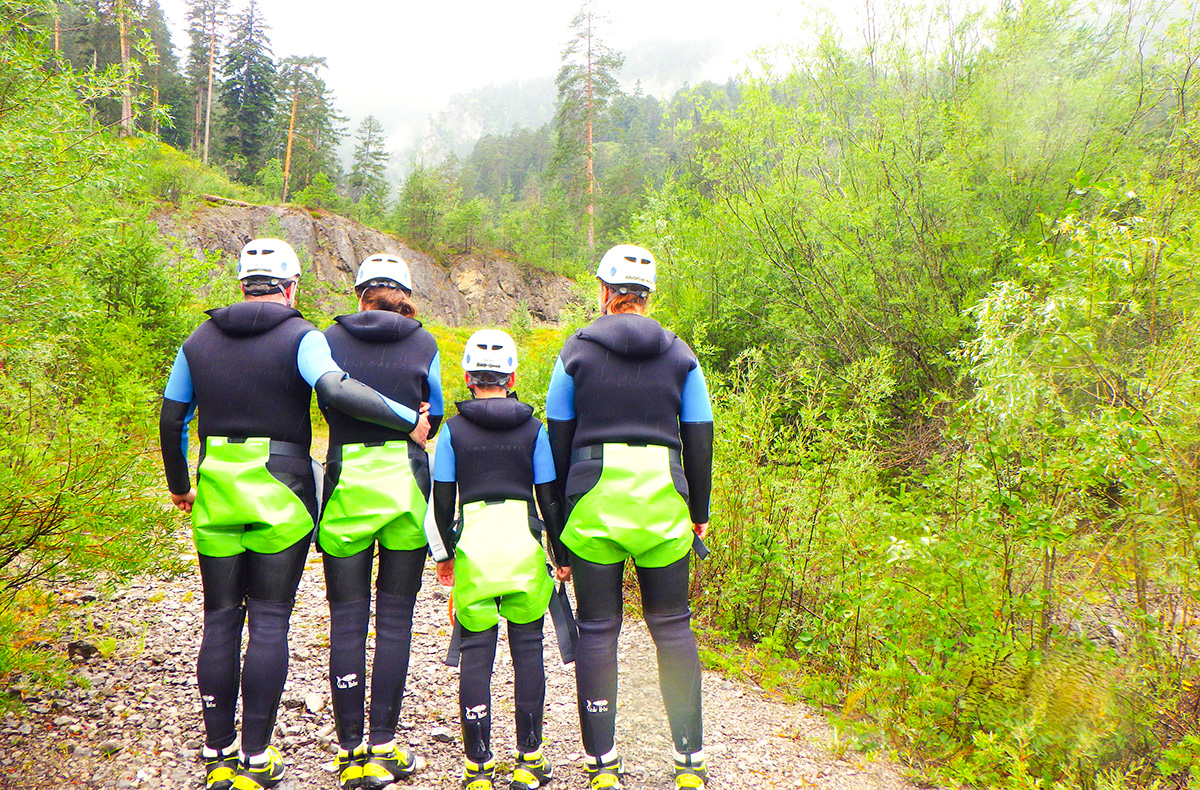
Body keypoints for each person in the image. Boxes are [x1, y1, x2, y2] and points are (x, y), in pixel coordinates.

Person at [159, 239, 431, 790]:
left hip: (216, 486)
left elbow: (171, 418)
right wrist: (407, 420)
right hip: (280, 486)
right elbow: (335, 388)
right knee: (268, 619)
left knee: (218, 618)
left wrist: (181, 486)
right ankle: (258, 760)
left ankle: (219, 755)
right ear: (290, 287)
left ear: (241, 284)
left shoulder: (195, 341)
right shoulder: (302, 337)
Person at [544, 244, 714, 790]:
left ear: (604, 292)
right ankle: (688, 762)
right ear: (647, 297)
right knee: (672, 627)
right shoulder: (681, 356)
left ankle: (603, 766)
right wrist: (700, 513)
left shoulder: (575, 352)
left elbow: (557, 446)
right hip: (664, 495)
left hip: (594, 499)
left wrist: (558, 534)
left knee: (598, 629)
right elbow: (699, 439)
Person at [425, 329, 570, 790]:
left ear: (467, 377)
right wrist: (560, 556)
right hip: (523, 549)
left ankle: (478, 767)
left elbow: (441, 501)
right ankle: (530, 759)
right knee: (528, 651)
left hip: (476, 551)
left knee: (476, 653)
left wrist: (444, 557)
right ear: (511, 377)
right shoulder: (535, 429)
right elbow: (548, 499)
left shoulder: (452, 431)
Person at [318, 253, 442, 790]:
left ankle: (348, 752)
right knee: (395, 619)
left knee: (347, 617)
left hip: (346, 485)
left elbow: (322, 396)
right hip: (406, 488)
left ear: (360, 294)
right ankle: (384, 748)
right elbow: (430, 419)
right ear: (404, 294)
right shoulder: (424, 342)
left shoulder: (327, 338)